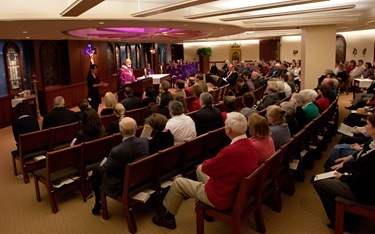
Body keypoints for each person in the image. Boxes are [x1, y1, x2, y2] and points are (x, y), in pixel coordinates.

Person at [152, 112, 258, 230]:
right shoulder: (249, 143)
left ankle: (168, 218)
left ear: (228, 130)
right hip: (235, 189)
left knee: (178, 182)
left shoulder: (230, 151)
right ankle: (206, 211)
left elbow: (208, 167)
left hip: (222, 197)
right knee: (199, 169)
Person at [313, 114, 375, 228]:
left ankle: (341, 222)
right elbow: (363, 153)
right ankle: (346, 215)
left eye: (368, 125)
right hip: (359, 178)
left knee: (319, 183)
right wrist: (347, 160)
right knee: (329, 169)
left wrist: (342, 176)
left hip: (365, 191)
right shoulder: (373, 141)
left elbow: (363, 178)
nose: (365, 127)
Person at [91, 117, 149, 215]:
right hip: (140, 178)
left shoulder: (117, 150)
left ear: (121, 132)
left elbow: (106, 169)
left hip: (121, 183)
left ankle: (98, 201)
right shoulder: (145, 141)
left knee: (96, 171)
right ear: (136, 129)